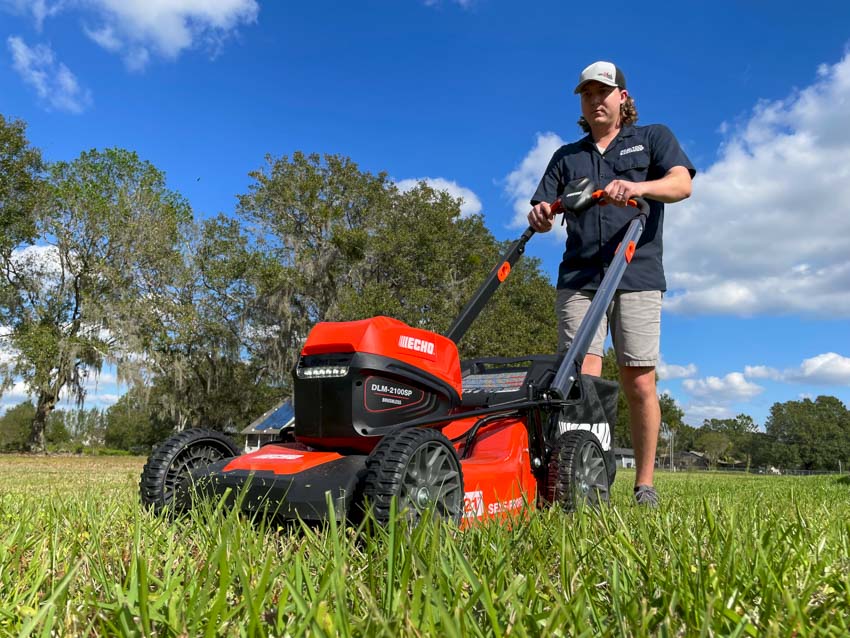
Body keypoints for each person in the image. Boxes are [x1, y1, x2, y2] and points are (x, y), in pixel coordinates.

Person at [527, 61, 695, 507]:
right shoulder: (567, 156)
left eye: (603, 92)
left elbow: (681, 185)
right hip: (580, 276)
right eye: (586, 93)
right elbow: (542, 209)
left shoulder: (652, 137)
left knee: (638, 378)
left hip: (635, 271)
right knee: (581, 378)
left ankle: (644, 484)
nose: (595, 100)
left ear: (623, 97)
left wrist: (639, 187)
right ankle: (583, 479)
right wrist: (541, 215)